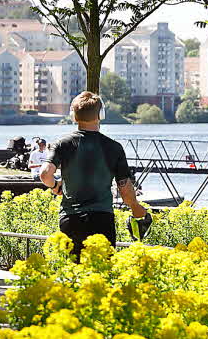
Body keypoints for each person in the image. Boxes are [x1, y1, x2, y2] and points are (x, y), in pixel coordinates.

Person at [39, 91, 147, 257]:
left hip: (70, 220)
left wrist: (55, 185)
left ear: (73, 116)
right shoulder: (114, 147)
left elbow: (45, 174)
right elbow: (125, 191)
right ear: (100, 115)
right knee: (101, 274)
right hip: (101, 220)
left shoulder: (62, 144)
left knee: (74, 275)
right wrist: (136, 208)